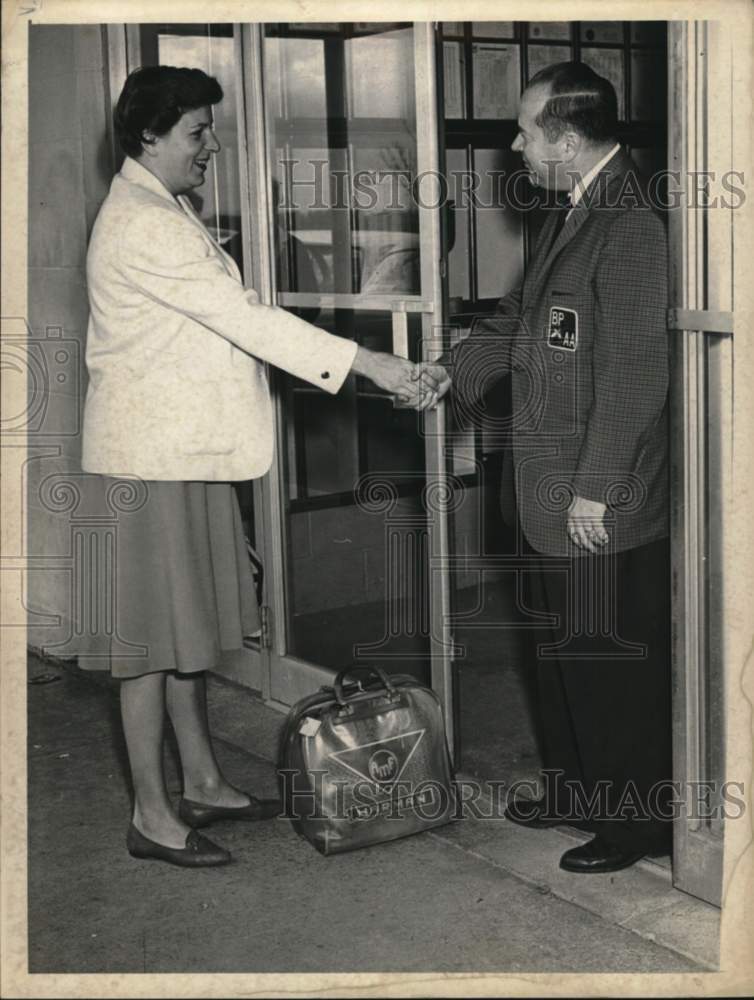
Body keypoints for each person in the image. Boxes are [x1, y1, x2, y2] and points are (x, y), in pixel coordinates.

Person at [81, 65, 431, 868]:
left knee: (186, 631)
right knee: (147, 646)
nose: (212, 147)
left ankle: (202, 780)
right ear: (149, 135)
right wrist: (369, 363)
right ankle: (152, 815)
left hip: (180, 449)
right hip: (149, 460)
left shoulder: (163, 205)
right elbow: (244, 318)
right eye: (198, 133)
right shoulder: (145, 221)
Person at [416, 62, 671, 873]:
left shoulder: (629, 223)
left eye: (525, 130)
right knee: (557, 651)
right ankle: (572, 790)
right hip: (546, 487)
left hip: (596, 495)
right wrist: (448, 374)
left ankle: (638, 823)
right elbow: (519, 322)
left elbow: (636, 374)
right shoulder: (575, 210)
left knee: (605, 663)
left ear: (565, 139)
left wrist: (596, 490)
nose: (514, 144)